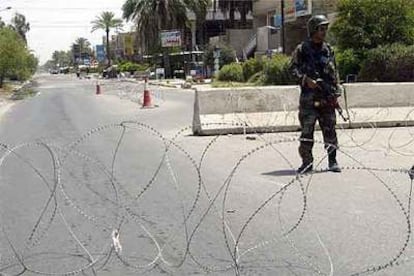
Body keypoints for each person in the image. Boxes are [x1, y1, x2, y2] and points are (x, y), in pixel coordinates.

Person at [290, 15, 342, 174]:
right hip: (309, 100)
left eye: (325, 28)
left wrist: (336, 92)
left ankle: (332, 161)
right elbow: (291, 70)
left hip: (326, 98)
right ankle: (307, 162)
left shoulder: (328, 50)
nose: (324, 31)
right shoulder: (302, 50)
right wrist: (305, 80)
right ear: (313, 30)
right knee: (307, 133)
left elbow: (335, 72)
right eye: (321, 28)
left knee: (330, 131)